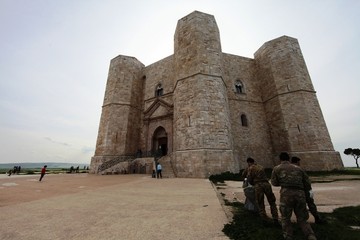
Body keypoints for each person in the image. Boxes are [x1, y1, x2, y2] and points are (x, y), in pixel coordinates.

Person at [271, 152, 317, 240]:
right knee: (302, 218)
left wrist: (284, 182)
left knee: (285, 218)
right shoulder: (299, 169)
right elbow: (307, 183)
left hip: (286, 195)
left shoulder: (276, 168)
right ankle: (310, 235)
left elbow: (274, 183)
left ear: (280, 159)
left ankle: (288, 236)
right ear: (289, 159)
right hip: (300, 195)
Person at [245, 157, 280, 225]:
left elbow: (249, 178)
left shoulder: (251, 168)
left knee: (260, 202)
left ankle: (264, 219)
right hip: (266, 184)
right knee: (272, 202)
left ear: (249, 162)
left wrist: (252, 183)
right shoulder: (260, 166)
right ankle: (275, 218)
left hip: (258, 185)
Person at [291, 156, 325, 224]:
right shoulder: (300, 169)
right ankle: (316, 218)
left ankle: (297, 220)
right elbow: (306, 182)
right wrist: (310, 191)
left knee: (295, 206)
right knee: (310, 204)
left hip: (291, 191)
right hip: (304, 190)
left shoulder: (287, 169)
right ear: (297, 162)